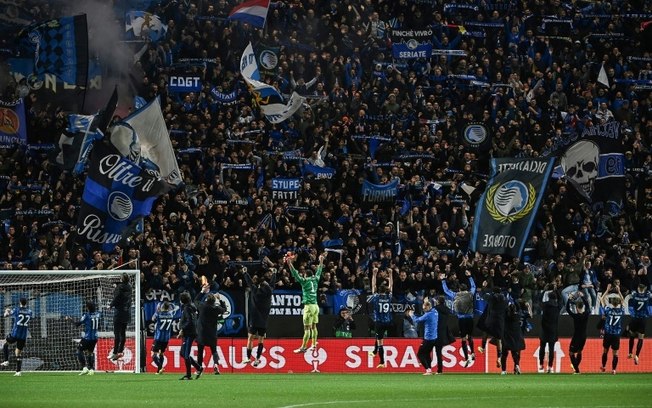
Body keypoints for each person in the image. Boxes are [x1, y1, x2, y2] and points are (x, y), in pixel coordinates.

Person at [285, 251, 325, 354]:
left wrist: (290, 264)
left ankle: (303, 347)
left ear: (306, 275)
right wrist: (321, 261)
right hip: (316, 306)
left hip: (308, 306)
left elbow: (295, 274)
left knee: (306, 328)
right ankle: (314, 344)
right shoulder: (315, 279)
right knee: (314, 326)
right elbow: (319, 270)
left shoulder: (304, 281)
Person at [242, 267, 277, 366]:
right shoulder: (269, 292)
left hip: (254, 319)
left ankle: (248, 357)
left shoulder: (255, 291)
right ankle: (257, 359)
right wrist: (274, 274)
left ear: (259, 286)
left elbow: (249, 282)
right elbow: (272, 284)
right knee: (261, 340)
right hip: (264, 321)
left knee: (250, 338)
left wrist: (245, 273)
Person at [442, 270, 476, 366]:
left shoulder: (456, 295)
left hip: (462, 319)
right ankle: (473, 352)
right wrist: (470, 277)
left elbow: (446, 291)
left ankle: (466, 358)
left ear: (459, 290)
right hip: (470, 318)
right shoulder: (470, 293)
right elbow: (473, 287)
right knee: (470, 336)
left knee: (463, 339)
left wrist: (443, 280)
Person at [195, 283, 226, 377]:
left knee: (200, 352)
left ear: (206, 300)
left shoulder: (202, 306)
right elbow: (224, 309)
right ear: (213, 301)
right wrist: (220, 299)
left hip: (202, 333)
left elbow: (195, 300)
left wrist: (202, 291)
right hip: (212, 333)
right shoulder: (216, 308)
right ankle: (216, 364)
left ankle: (199, 369)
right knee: (214, 350)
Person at [367, 268, 394, 368]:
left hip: (379, 322)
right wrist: (391, 274)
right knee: (379, 336)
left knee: (380, 343)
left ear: (378, 290)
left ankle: (382, 362)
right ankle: (374, 352)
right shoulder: (388, 296)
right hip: (388, 322)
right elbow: (391, 286)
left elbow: (373, 285)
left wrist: (374, 274)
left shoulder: (376, 297)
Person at [477, 287, 507, 369]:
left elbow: (483, 295)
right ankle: (499, 357)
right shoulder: (505, 301)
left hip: (491, 319)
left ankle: (483, 347)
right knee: (499, 339)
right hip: (500, 321)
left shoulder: (492, 298)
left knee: (485, 331)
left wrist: (483, 288)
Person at [1, 297, 33, 376]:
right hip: (23, 335)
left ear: (19, 302)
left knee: (5, 344)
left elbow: (6, 315)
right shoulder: (30, 311)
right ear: (26, 303)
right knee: (18, 354)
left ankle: (6, 361)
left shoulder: (17, 310)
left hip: (15, 334)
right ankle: (18, 371)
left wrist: (6, 310)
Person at [67, 301, 101, 375]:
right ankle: (91, 369)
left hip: (87, 338)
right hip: (95, 338)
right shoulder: (98, 314)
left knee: (79, 350)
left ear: (87, 308)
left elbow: (77, 324)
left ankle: (84, 368)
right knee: (90, 352)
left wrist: (70, 319)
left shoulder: (86, 315)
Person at [408, 297, 439, 375]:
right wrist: (426, 302)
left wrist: (412, 315)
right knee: (427, 353)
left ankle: (427, 369)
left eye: (425, 309)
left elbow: (417, 320)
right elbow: (431, 306)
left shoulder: (428, 315)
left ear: (428, 307)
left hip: (428, 338)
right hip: (434, 337)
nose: (424, 310)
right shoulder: (435, 311)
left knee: (420, 354)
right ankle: (429, 369)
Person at [600, 284, 625, 374]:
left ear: (611, 303)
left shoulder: (608, 310)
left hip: (608, 333)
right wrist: (619, 291)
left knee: (605, 351)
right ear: (618, 303)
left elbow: (601, 299)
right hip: (616, 334)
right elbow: (623, 302)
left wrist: (607, 290)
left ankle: (603, 367)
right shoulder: (621, 311)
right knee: (615, 354)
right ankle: (614, 370)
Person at [177, 291, 201, 380]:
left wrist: (182, 329)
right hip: (190, 332)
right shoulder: (192, 306)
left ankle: (188, 375)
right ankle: (198, 368)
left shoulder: (187, 308)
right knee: (182, 353)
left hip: (189, 333)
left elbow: (189, 321)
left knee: (186, 354)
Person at [109, 273, 132, 361]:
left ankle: (115, 352)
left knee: (117, 333)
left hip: (119, 312)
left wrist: (111, 305)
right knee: (123, 332)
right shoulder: (129, 287)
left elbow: (117, 297)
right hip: (127, 312)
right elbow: (123, 291)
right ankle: (120, 351)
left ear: (121, 279)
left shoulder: (119, 287)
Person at [627, 284, 651, 365]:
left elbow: (632, 290)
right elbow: (649, 293)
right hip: (643, 319)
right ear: (644, 288)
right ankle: (637, 355)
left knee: (632, 336)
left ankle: (630, 352)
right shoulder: (647, 295)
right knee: (641, 338)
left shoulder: (635, 294)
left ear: (638, 288)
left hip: (635, 318)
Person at [566, 292, 590, 374]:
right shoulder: (586, 314)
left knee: (571, 353)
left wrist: (569, 299)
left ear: (576, 307)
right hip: (584, 336)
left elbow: (567, 309)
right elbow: (588, 306)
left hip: (576, 337)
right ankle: (576, 367)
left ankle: (576, 370)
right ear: (582, 307)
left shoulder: (575, 316)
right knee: (579, 352)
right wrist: (583, 297)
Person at [538, 289, 560, 373]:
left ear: (548, 297)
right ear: (555, 298)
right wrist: (556, 290)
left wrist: (544, 290)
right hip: (553, 330)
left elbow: (539, 300)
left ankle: (541, 365)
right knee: (551, 349)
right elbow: (561, 300)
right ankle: (550, 367)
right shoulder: (557, 307)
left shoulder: (545, 305)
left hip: (544, 329)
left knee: (542, 348)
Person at [501, 302, 525, 375]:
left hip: (506, 337)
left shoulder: (505, 317)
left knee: (504, 354)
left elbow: (504, 311)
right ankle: (517, 365)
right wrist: (516, 302)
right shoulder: (517, 316)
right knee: (515, 353)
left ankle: (504, 370)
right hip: (515, 337)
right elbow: (520, 309)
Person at [151, 300, 175, 374]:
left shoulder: (159, 314)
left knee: (153, 354)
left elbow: (153, 319)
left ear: (162, 307)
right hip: (166, 338)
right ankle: (159, 371)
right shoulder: (171, 315)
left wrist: (156, 311)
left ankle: (160, 367)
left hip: (158, 337)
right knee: (161, 353)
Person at [433, 296, 455, 374]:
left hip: (434, 332)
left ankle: (427, 367)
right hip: (443, 333)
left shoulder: (434, 309)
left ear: (438, 302)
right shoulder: (447, 310)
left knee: (427, 350)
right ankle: (440, 370)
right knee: (438, 352)